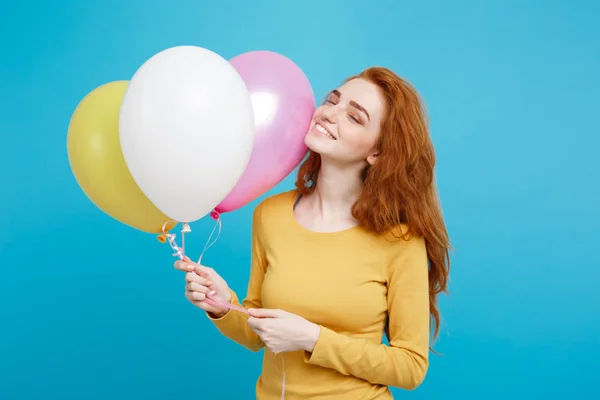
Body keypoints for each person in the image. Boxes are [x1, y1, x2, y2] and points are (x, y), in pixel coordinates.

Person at [174, 67, 451, 399]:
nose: (330, 113)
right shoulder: (270, 214)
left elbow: (410, 367)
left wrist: (312, 338)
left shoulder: (400, 241)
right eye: (333, 100)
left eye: (354, 117)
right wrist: (220, 304)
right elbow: (256, 335)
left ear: (376, 152)